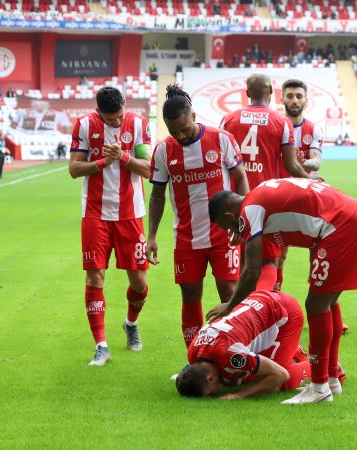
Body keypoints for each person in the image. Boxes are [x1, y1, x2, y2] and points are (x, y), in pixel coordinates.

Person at [207, 178, 357, 404]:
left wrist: (231, 306)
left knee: (316, 305)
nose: (231, 231)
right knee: (329, 302)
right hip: (355, 218)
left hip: (341, 227)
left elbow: (252, 271)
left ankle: (319, 388)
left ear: (229, 216)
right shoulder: (260, 194)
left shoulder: (250, 211)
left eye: (227, 226)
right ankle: (331, 378)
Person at [147, 85, 250, 349]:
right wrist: (152, 236)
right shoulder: (163, 151)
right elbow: (157, 195)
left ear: (193, 116)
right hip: (186, 238)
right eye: (173, 132)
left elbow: (240, 179)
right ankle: (195, 357)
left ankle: (235, 353)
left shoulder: (221, 139)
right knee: (190, 296)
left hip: (223, 236)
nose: (180, 136)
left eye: (184, 129)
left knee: (230, 294)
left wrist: (242, 222)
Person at [68, 86, 153, 366]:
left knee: (139, 283)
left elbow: (148, 168)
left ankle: (131, 323)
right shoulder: (84, 125)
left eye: (119, 116)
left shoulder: (138, 125)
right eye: (110, 119)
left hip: (131, 213)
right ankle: (101, 345)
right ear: (98, 112)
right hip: (95, 213)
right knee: (95, 278)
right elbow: (74, 169)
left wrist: (124, 157)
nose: (116, 122)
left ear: (125, 104)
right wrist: (105, 161)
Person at [219, 73, 315, 290]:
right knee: (270, 260)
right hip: (268, 201)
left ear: (247, 94)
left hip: (238, 201)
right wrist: (312, 183)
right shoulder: (281, 122)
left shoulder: (228, 119)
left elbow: (222, 164)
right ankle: (265, 308)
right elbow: (292, 166)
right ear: (272, 93)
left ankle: (244, 312)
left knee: (244, 262)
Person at [176, 290, 314, 400]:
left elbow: (281, 375)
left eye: (211, 394)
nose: (216, 393)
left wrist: (239, 395)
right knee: (243, 375)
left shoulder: (230, 355)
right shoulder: (193, 353)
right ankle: (292, 351)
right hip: (258, 303)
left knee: (276, 384)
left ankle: (319, 365)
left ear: (209, 378)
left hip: (285, 311)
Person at [276, 79, 325, 290]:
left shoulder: (313, 129)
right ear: (282, 99)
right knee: (279, 250)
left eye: (298, 96)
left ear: (306, 100)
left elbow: (317, 161)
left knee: (317, 246)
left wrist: (298, 162)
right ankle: (273, 296)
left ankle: (321, 297)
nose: (294, 100)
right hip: (280, 193)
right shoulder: (276, 126)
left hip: (306, 193)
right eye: (290, 96)